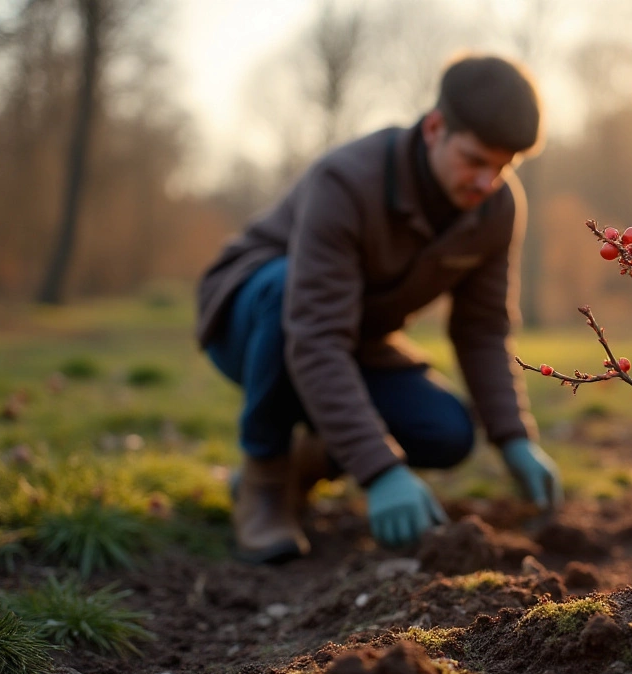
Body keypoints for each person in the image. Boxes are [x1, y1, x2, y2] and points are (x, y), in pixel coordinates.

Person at [195, 55, 561, 564]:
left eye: (502, 168)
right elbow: (315, 333)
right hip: (250, 321)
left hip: (354, 338)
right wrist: (380, 470)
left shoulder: (496, 209)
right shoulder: (347, 181)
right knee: (284, 290)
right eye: (476, 160)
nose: (486, 182)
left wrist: (514, 437)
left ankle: (307, 464)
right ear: (435, 128)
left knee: (447, 431)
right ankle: (264, 476)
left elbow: (482, 329)